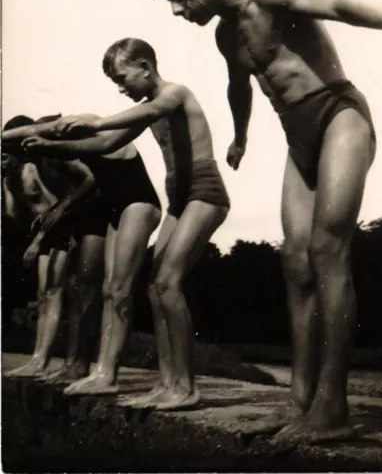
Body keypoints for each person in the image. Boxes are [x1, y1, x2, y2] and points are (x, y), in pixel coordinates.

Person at [142, 0, 382, 443]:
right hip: (299, 140)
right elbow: (239, 85)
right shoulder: (224, 35)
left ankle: (333, 407)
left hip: (339, 117)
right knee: (295, 262)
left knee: (329, 251)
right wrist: (240, 137)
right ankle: (298, 403)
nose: (178, 10)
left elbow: (338, 5)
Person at [45, 37, 230, 410]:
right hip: (178, 198)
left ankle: (186, 387)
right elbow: (103, 144)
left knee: (167, 281)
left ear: (145, 67)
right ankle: (167, 383)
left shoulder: (175, 94)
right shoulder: (148, 108)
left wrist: (96, 120)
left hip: (205, 191)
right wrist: (52, 147)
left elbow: (142, 116)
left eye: (122, 77)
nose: (120, 86)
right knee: (153, 287)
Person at [5, 114, 162, 395]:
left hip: (121, 207)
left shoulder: (74, 139)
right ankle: (83, 365)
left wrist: (61, 209)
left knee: (107, 288)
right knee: (90, 289)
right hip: (105, 212)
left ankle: (95, 369)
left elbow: (84, 169)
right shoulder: (49, 154)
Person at [3, 115, 107, 380]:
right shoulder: (23, 169)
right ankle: (41, 358)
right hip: (59, 224)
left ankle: (56, 361)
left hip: (75, 221)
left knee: (62, 290)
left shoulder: (46, 158)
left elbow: (85, 183)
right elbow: (18, 215)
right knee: (46, 292)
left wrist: (45, 232)